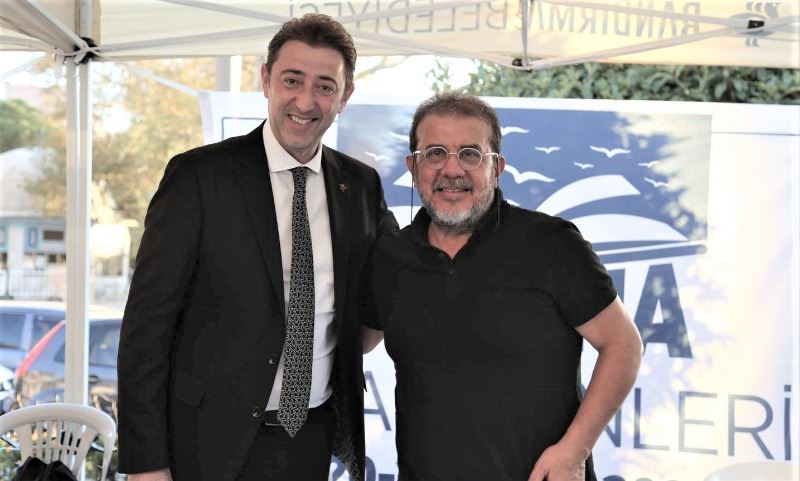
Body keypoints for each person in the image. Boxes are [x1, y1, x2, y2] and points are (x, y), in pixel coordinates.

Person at [117, 14, 397, 481]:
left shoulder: (360, 185)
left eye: (325, 86)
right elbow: (146, 329)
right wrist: (146, 465)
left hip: (310, 439)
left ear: (345, 96)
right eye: (292, 80)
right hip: (206, 445)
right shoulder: (199, 177)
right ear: (266, 79)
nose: (305, 101)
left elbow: (397, 270)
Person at [362, 92, 643, 481]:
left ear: (497, 168)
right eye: (435, 153)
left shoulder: (552, 244)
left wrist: (573, 451)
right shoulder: (390, 256)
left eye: (470, 154)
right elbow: (356, 339)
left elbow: (623, 345)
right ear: (413, 167)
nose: (452, 169)